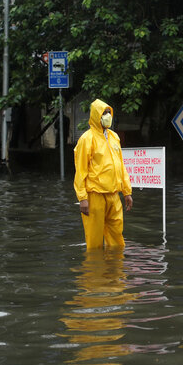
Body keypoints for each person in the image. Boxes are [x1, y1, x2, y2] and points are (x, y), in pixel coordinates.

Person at [73, 99, 133, 251]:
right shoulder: (87, 139)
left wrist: (127, 192)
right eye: (103, 113)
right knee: (94, 240)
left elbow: (121, 166)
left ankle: (115, 271)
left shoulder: (114, 137)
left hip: (114, 194)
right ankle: (94, 272)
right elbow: (80, 171)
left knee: (117, 238)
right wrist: (82, 199)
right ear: (95, 116)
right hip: (95, 195)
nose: (107, 116)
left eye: (108, 113)